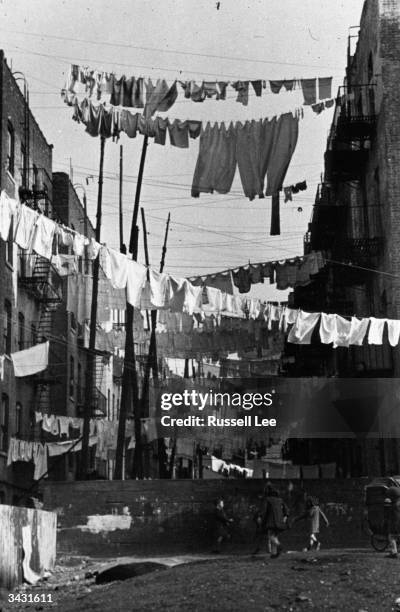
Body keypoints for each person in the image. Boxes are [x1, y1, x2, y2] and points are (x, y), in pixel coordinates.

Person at [262, 487, 289, 558]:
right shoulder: (281, 500)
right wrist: (284, 519)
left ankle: (279, 545)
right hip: (280, 522)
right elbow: (287, 511)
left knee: (270, 536)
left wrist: (263, 521)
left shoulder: (268, 500)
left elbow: (265, 512)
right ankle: (274, 554)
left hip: (271, 521)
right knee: (275, 536)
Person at [385, 486, 400, 558]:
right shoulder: (398, 504)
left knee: (391, 537)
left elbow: (393, 517)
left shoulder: (394, 506)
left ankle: (394, 552)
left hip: (395, 524)